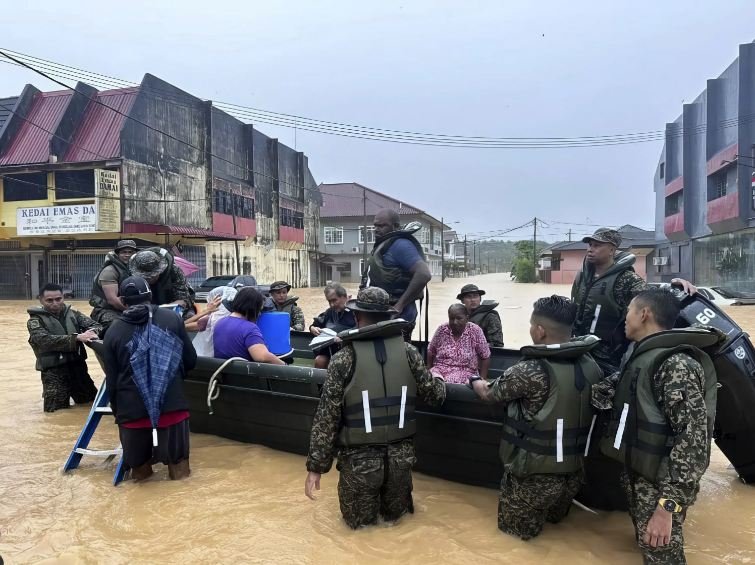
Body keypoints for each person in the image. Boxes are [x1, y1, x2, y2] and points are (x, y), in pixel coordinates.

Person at [594, 288, 722, 564]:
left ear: (644, 314)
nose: (624, 318)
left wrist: (667, 508)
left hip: (661, 489)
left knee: (663, 557)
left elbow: (693, 439)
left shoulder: (676, 365)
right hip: (640, 476)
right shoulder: (642, 356)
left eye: (628, 310)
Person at [571, 227, 695, 511]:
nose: (591, 249)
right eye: (589, 244)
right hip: (580, 350)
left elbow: (649, 302)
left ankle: (602, 472)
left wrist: (674, 286)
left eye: (598, 245)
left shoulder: (625, 280)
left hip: (605, 359)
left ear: (613, 250)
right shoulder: (585, 276)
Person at [304, 287, 446, 529]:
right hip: (400, 462)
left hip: (359, 463)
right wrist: (440, 378)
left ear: (357, 317)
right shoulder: (410, 353)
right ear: (389, 317)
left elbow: (326, 418)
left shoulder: (343, 358)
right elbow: (434, 396)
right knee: (397, 527)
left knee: (359, 532)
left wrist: (316, 468)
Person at [470, 295, 603, 540]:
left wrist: (475, 380)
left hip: (533, 479)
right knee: (556, 536)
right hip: (573, 476)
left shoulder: (529, 370)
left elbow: (490, 394)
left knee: (514, 542)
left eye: (532, 324)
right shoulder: (590, 364)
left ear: (540, 331)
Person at [103, 276, 197, 481]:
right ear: (151, 295)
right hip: (171, 407)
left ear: (123, 301)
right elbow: (190, 360)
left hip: (132, 412)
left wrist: (120, 413)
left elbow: (112, 379)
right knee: (180, 471)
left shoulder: (113, 331)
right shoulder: (172, 319)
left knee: (139, 474)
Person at [27, 283, 101, 412]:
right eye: (49, 300)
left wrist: (93, 333)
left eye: (58, 299)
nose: (55, 303)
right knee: (56, 414)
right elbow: (43, 340)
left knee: (91, 405)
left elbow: (96, 325)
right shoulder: (35, 320)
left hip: (78, 368)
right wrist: (76, 338)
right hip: (54, 373)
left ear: (63, 297)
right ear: (41, 300)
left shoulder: (73, 314)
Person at [362, 209, 432, 341]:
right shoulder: (384, 245)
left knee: (395, 356)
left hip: (396, 317)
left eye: (382, 226)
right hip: (381, 315)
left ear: (395, 226)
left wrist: (399, 305)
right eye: (375, 225)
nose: (376, 229)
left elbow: (424, 274)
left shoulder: (400, 245)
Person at [213, 287, 286, 365]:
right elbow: (262, 357)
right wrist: (284, 366)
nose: (259, 314)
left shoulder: (220, 322)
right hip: (244, 374)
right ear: (253, 308)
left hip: (223, 373)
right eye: (259, 309)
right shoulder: (249, 328)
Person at [427, 304, 491, 384]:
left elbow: (485, 356)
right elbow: (431, 351)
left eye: (459, 318)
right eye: (451, 318)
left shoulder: (475, 331)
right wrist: (429, 369)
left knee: (471, 384)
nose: (455, 322)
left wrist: (483, 379)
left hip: (467, 372)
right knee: (432, 380)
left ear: (467, 318)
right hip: (440, 370)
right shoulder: (442, 329)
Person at [129, 247, 194, 320]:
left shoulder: (174, 272)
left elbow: (183, 301)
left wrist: (159, 311)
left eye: (153, 276)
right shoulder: (132, 273)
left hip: (171, 308)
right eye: (146, 277)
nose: (150, 279)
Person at [89, 239, 138, 332]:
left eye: (130, 252)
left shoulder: (135, 269)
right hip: (107, 310)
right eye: (124, 252)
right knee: (117, 325)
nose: (127, 255)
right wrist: (134, 312)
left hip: (129, 308)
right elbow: (113, 300)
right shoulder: (110, 271)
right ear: (118, 254)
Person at [309, 282, 357, 369]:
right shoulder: (329, 312)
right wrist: (312, 328)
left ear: (345, 297)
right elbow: (316, 323)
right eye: (329, 301)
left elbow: (361, 329)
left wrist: (344, 337)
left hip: (350, 350)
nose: (332, 304)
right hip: (330, 350)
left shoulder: (356, 313)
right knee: (319, 360)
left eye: (334, 300)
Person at [190, 286, 236, 357]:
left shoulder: (213, 317)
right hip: (220, 357)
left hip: (201, 356)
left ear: (216, 300)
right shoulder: (233, 317)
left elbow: (185, 326)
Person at [457, 283, 504, 347]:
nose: (473, 300)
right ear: (462, 301)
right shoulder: (458, 316)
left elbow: (497, 344)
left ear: (480, 299)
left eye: (475, 296)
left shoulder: (490, 316)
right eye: (468, 297)